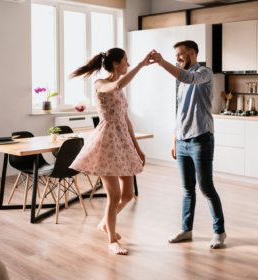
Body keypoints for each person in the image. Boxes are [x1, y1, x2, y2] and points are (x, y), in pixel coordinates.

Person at [70, 48, 154, 255]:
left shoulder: (119, 88)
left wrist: (137, 147)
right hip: (106, 143)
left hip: (122, 142)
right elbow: (117, 84)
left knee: (128, 194)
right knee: (114, 196)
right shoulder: (101, 84)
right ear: (116, 64)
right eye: (126, 61)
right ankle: (111, 241)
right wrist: (143, 64)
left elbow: (126, 120)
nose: (129, 64)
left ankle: (105, 223)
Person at [151, 41, 227, 249]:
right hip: (183, 140)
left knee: (206, 187)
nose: (177, 58)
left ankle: (219, 231)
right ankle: (186, 229)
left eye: (180, 55)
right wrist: (175, 138)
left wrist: (161, 62)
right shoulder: (181, 78)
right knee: (187, 189)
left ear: (192, 53)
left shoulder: (204, 73)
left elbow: (189, 77)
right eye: (175, 55)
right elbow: (180, 110)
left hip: (201, 138)